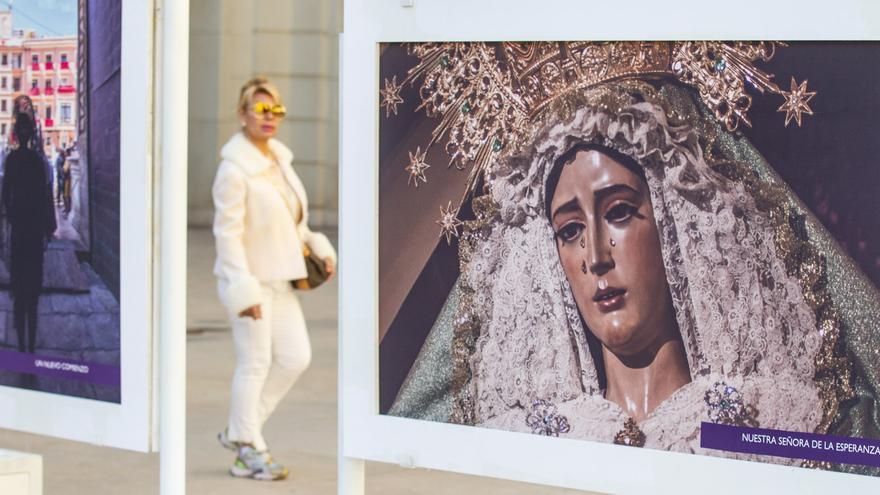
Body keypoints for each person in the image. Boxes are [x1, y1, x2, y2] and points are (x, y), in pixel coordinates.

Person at [384, 42, 880, 474]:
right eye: (570, 230)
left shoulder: (757, 430)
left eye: (619, 212)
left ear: (678, 222)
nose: (595, 256)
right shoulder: (524, 443)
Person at [212, 77, 336, 481]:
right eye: (261, 110)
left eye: (276, 110)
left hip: (281, 280)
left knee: (296, 357)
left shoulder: (280, 161)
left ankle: (240, 431)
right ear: (242, 113)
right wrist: (240, 288)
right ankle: (249, 449)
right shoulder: (235, 170)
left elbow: (294, 222)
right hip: (249, 281)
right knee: (255, 363)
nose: (270, 118)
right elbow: (226, 234)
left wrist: (317, 247)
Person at [1, 95, 56, 354]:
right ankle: (27, 345)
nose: (23, 133)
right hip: (28, 229)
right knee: (28, 288)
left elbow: (9, 197)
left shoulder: (19, 161)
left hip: (25, 229)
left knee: (25, 289)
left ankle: (26, 345)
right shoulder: (34, 161)